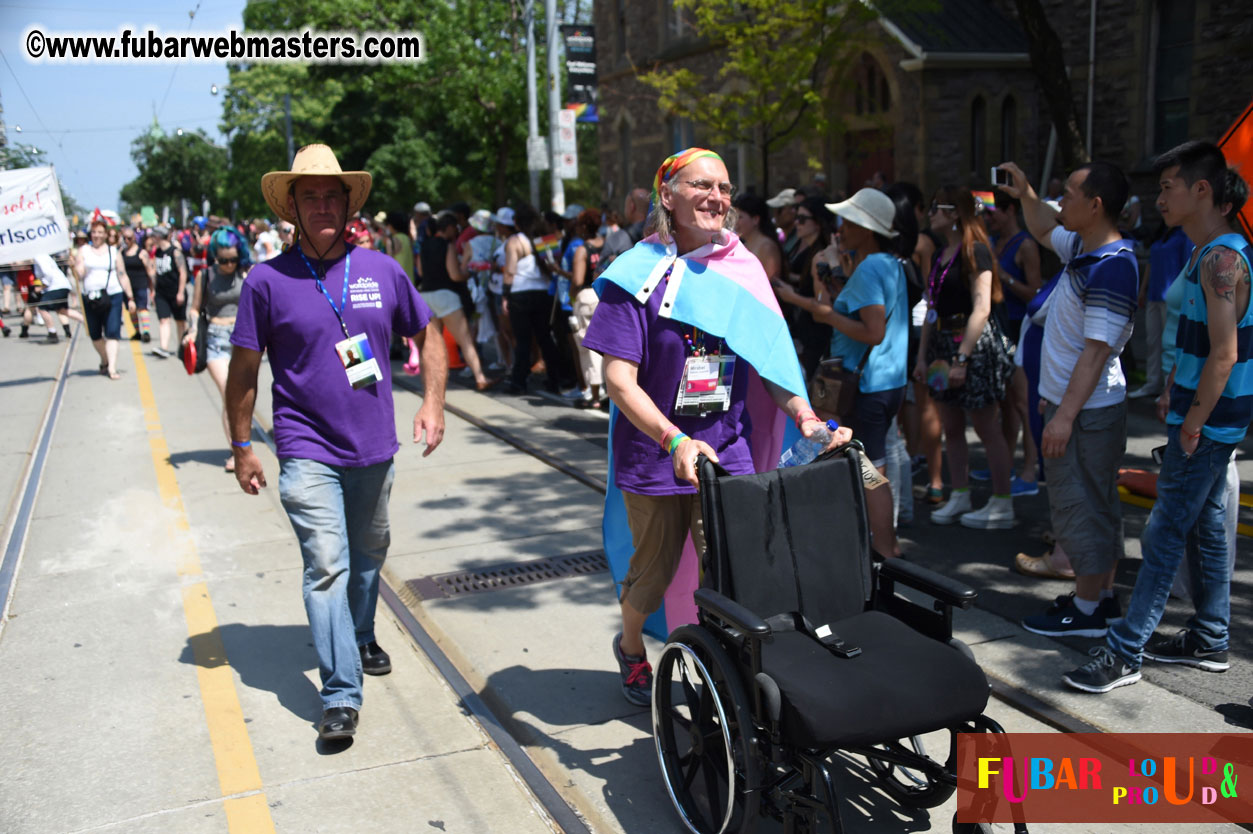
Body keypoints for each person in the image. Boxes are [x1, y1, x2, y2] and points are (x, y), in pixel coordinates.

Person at [582, 148, 851, 706]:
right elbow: (619, 381)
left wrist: (805, 416)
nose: (717, 198)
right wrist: (674, 439)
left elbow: (772, 362)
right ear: (667, 195)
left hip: (727, 450)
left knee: (733, 573)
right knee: (651, 577)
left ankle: (721, 671)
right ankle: (632, 649)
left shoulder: (742, 268)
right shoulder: (630, 276)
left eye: (725, 188)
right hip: (656, 455)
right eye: (702, 185)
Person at [225, 144, 448, 741]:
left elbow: (428, 332)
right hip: (305, 447)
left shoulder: (381, 270)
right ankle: (341, 694)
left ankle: (362, 632)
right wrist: (244, 444)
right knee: (327, 565)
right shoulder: (266, 281)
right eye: (309, 195)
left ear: (348, 203)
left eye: (331, 194)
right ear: (291, 207)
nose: (321, 204)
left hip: (374, 445)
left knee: (369, 553)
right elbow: (243, 372)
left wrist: (432, 401)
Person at [1063, 143, 1250, 693]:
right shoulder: (1205, 252)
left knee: (1165, 530)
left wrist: (1192, 423)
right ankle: (1210, 636)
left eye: (1168, 186)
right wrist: (1175, 390)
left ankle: (1124, 651)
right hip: (1204, 415)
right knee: (1205, 528)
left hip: (1210, 423)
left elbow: (1225, 354)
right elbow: (1195, 344)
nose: (1158, 196)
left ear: (1202, 191)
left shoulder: (1222, 259)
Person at [997, 159, 1138, 640]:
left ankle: (1086, 611)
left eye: (1070, 195)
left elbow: (1096, 353)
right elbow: (1041, 225)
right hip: (1074, 407)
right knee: (1090, 505)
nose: (1061, 204)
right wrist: (1027, 193)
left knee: (1081, 508)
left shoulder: (1113, 266)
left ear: (1095, 205)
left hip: (1086, 412)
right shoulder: (1083, 246)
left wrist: (1063, 416)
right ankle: (1098, 600)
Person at [773, 188, 911, 558]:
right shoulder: (888, 263)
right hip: (886, 381)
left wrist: (827, 315)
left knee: (869, 470)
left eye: (848, 221)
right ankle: (879, 546)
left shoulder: (869, 267)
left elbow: (873, 330)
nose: (841, 227)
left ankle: (884, 550)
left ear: (867, 228)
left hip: (864, 386)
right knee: (864, 463)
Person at [914, 186, 1016, 529]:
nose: (929, 214)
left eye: (935, 207)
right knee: (952, 426)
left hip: (969, 345)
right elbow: (931, 308)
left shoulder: (976, 251)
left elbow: (982, 307)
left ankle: (1002, 502)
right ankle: (960, 493)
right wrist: (922, 356)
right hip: (942, 343)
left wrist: (962, 359)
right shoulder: (942, 254)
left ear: (955, 213)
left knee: (986, 426)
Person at [981, 190, 1043, 496]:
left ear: (1009, 211)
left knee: (1022, 402)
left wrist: (1002, 275)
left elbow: (1036, 293)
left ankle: (1030, 470)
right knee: (1004, 403)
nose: (987, 219)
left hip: (1020, 328)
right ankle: (1003, 464)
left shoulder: (1026, 245)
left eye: (992, 212)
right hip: (999, 328)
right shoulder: (992, 243)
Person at [184, 227, 251, 471]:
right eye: (223, 259)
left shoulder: (246, 273)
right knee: (230, 395)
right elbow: (195, 308)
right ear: (215, 256)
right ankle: (238, 451)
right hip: (215, 340)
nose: (228, 264)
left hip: (243, 341)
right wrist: (192, 329)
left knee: (241, 396)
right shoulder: (206, 275)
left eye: (233, 259)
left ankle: (240, 442)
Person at [500, 205, 574, 395]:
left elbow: (509, 271)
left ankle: (519, 381)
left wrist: (505, 295)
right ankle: (554, 379)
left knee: (522, 340)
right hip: (543, 294)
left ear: (516, 222)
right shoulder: (545, 240)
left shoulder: (515, 241)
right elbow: (553, 267)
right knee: (545, 338)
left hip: (519, 294)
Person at [420, 213, 494, 391]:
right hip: (446, 295)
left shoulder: (423, 245)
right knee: (465, 339)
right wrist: (467, 274)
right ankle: (480, 377)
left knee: (434, 342)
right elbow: (454, 274)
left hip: (426, 295)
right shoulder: (448, 245)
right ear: (450, 227)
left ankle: (434, 381)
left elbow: (421, 272)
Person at [1129, 223, 1194, 399]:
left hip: (1171, 299)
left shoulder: (1185, 236)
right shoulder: (1161, 234)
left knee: (1171, 343)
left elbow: (1188, 267)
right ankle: (1153, 383)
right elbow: (1150, 264)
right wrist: (1142, 290)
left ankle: (1169, 387)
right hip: (1154, 295)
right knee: (1153, 341)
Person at [72, 219, 135, 379]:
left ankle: (112, 367)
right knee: (95, 334)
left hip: (113, 295)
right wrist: (76, 267)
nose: (97, 235)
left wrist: (130, 297)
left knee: (112, 332)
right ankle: (104, 359)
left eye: (100, 232)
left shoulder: (114, 252)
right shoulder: (84, 251)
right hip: (91, 297)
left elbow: (122, 275)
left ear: (106, 234)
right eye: (94, 232)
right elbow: (80, 273)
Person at [569, 208, 606, 407]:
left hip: (586, 297)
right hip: (604, 296)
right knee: (606, 345)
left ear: (583, 226)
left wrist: (572, 296)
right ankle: (607, 391)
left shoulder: (583, 250)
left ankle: (594, 396)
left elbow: (577, 280)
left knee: (588, 347)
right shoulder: (606, 244)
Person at [149, 225, 188, 359]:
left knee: (180, 321)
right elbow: (154, 272)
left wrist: (181, 292)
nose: (152, 239)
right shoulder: (157, 252)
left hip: (175, 291)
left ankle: (182, 347)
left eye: (154, 236)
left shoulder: (175, 252)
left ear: (159, 237)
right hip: (161, 292)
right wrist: (153, 291)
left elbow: (183, 273)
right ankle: (164, 348)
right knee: (163, 319)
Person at [732, 193, 784, 284]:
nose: (735, 222)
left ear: (755, 219)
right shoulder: (743, 244)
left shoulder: (767, 247)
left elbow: (770, 283)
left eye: (740, 217)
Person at [31, 250, 83, 340]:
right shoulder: (41, 255)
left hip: (56, 286)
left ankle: (52, 332)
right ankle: (87, 322)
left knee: (42, 308)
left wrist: (42, 287)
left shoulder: (39, 256)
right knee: (62, 310)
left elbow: (48, 274)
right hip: (61, 285)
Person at [121, 226, 155, 342]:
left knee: (142, 308)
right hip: (127, 286)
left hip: (141, 284)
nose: (126, 241)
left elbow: (150, 271)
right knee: (131, 310)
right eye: (124, 238)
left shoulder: (142, 252)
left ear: (134, 238)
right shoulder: (122, 252)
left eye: (129, 238)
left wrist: (152, 288)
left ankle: (146, 332)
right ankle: (137, 331)